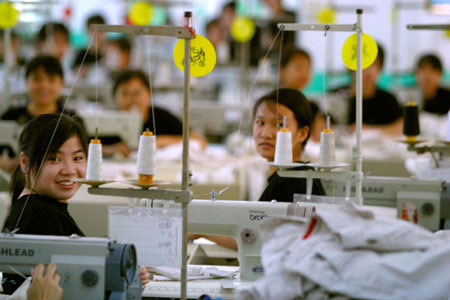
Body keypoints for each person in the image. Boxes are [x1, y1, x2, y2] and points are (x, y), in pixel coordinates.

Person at [1, 114, 149, 294]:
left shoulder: (33, 208)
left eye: (78, 158)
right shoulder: (42, 216)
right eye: (54, 159)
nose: (69, 170)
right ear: (24, 163)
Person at [0, 55, 83, 173]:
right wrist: (9, 164)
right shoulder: (10, 116)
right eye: (37, 79)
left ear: (61, 83)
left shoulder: (72, 119)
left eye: (51, 79)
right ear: (26, 81)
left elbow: (83, 156)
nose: (44, 86)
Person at [103, 69, 207, 157]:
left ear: (149, 93)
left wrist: (160, 142)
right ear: (115, 97)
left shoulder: (161, 117)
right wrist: (111, 150)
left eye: (137, 93)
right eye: (125, 94)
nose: (131, 99)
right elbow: (88, 148)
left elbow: (199, 140)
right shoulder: (107, 121)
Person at [253, 88, 325, 202]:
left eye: (279, 124)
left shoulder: (290, 183)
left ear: (302, 133)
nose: (266, 134)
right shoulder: (300, 177)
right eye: (260, 122)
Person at [333, 45, 403, 136]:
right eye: (363, 63)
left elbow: (401, 127)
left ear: (380, 68)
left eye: (374, 64)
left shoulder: (388, 100)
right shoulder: (336, 96)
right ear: (351, 67)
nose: (368, 70)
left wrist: (368, 130)